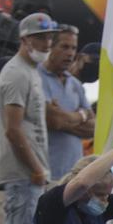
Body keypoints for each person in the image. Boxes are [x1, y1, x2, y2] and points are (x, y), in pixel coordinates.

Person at [0, 11, 59, 224]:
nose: (47, 44)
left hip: (31, 171)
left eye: (49, 38)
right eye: (40, 38)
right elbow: (13, 129)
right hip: (24, 172)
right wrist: (36, 169)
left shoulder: (31, 71)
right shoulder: (17, 73)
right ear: (25, 39)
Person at [39, 26, 89, 182]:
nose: (70, 53)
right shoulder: (36, 78)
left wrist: (63, 119)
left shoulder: (76, 84)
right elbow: (54, 121)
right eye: (65, 47)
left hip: (74, 177)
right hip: (45, 174)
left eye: (73, 48)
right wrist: (82, 115)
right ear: (50, 47)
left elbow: (93, 128)